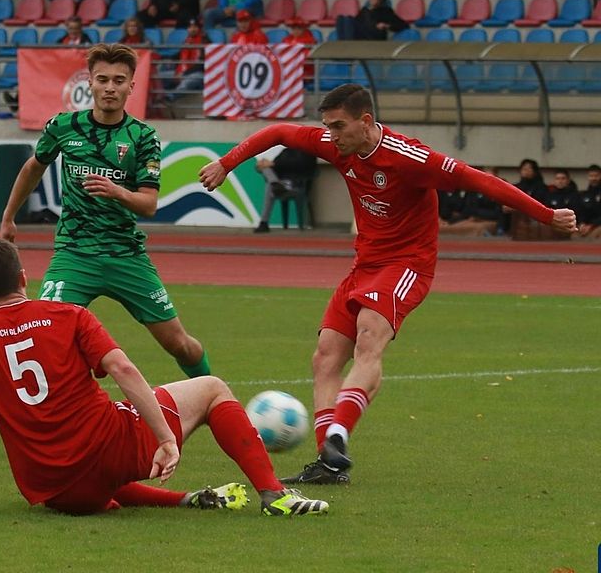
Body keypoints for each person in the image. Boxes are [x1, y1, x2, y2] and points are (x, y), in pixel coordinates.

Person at [198, 84, 578, 484]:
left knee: (368, 338)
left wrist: (545, 214)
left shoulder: (409, 157)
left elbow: (479, 181)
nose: (331, 135)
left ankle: (338, 436)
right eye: (326, 126)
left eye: (339, 126)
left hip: (407, 265)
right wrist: (227, 163)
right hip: (365, 264)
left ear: (366, 122)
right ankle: (327, 463)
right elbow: (277, 132)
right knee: (325, 357)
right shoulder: (336, 145)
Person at [0, 237, 330, 517]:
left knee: (95, 469)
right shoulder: (69, 315)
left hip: (54, 491)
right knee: (212, 388)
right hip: (111, 451)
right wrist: (165, 437)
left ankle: (187, 500)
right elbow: (123, 369)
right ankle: (273, 494)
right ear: (23, 277)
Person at [0, 43, 212, 379]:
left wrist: (117, 192)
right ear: (90, 83)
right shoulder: (63, 127)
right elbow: (33, 167)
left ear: (131, 86)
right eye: (102, 79)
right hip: (74, 253)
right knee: (45, 337)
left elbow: (149, 204)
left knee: (178, 344)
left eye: (118, 80)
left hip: (125, 255)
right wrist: (9, 216)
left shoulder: (143, 137)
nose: (110, 87)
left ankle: (213, 395)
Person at [252, 147, 318, 233]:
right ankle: (275, 184)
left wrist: (273, 164)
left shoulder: (308, 151)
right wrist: (263, 164)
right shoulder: (286, 151)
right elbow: (275, 166)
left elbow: (300, 165)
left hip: (296, 184)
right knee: (266, 170)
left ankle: (264, 222)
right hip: (282, 183)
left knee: (270, 187)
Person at [335, 0, 409, 41]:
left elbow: (404, 25)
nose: (375, 1)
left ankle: (347, 47)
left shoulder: (386, 11)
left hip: (375, 36)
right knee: (342, 18)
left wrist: (386, 25)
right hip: (363, 35)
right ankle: (343, 46)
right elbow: (356, 23)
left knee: (349, 20)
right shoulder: (364, 10)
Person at [161, 16, 207, 103]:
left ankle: (170, 98)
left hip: (199, 74)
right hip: (181, 72)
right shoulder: (187, 41)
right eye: (190, 27)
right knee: (160, 75)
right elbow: (179, 55)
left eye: (195, 27)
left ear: (199, 28)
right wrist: (168, 59)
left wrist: (184, 74)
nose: (192, 29)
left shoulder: (205, 41)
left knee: (189, 81)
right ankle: (158, 98)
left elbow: (202, 64)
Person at [281, 15, 316, 80]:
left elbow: (307, 58)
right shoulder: (287, 39)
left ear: (304, 28)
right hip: (289, 70)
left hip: (305, 71)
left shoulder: (310, 40)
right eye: (294, 28)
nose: (296, 30)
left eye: (299, 28)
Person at [576, 164, 601, 236]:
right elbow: (581, 211)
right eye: (591, 176)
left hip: (597, 225)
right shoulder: (584, 195)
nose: (593, 178)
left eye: (596, 176)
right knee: (574, 235)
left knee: (594, 235)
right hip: (585, 226)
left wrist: (592, 225)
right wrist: (582, 223)